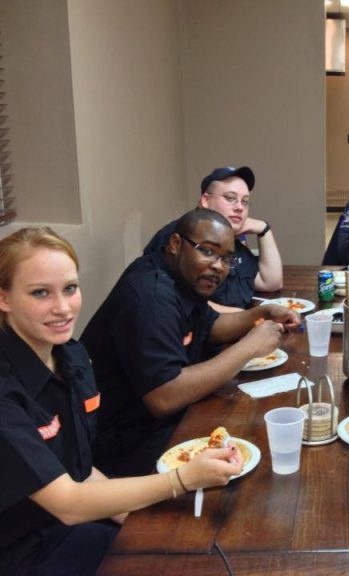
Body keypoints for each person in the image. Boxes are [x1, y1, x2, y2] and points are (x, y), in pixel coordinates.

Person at [0, 227, 242, 576]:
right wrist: (182, 479)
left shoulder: (71, 357)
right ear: (4, 298)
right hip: (25, 553)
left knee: (199, 547)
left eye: (70, 288)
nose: (63, 308)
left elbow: (82, 472)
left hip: (75, 526)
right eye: (40, 293)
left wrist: (145, 524)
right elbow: (67, 502)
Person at [82, 208, 301, 478]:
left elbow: (208, 327)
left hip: (162, 423)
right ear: (175, 244)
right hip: (125, 446)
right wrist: (249, 348)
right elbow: (164, 396)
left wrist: (261, 313)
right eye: (207, 251)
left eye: (226, 258)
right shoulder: (150, 296)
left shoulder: (182, 278)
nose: (218, 266)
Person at [145, 166, 282, 310]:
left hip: (241, 324)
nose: (240, 207)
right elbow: (171, 298)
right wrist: (245, 317)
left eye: (245, 201)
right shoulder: (179, 236)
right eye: (230, 198)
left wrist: (264, 229)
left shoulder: (231, 240)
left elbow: (270, 283)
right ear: (205, 200)